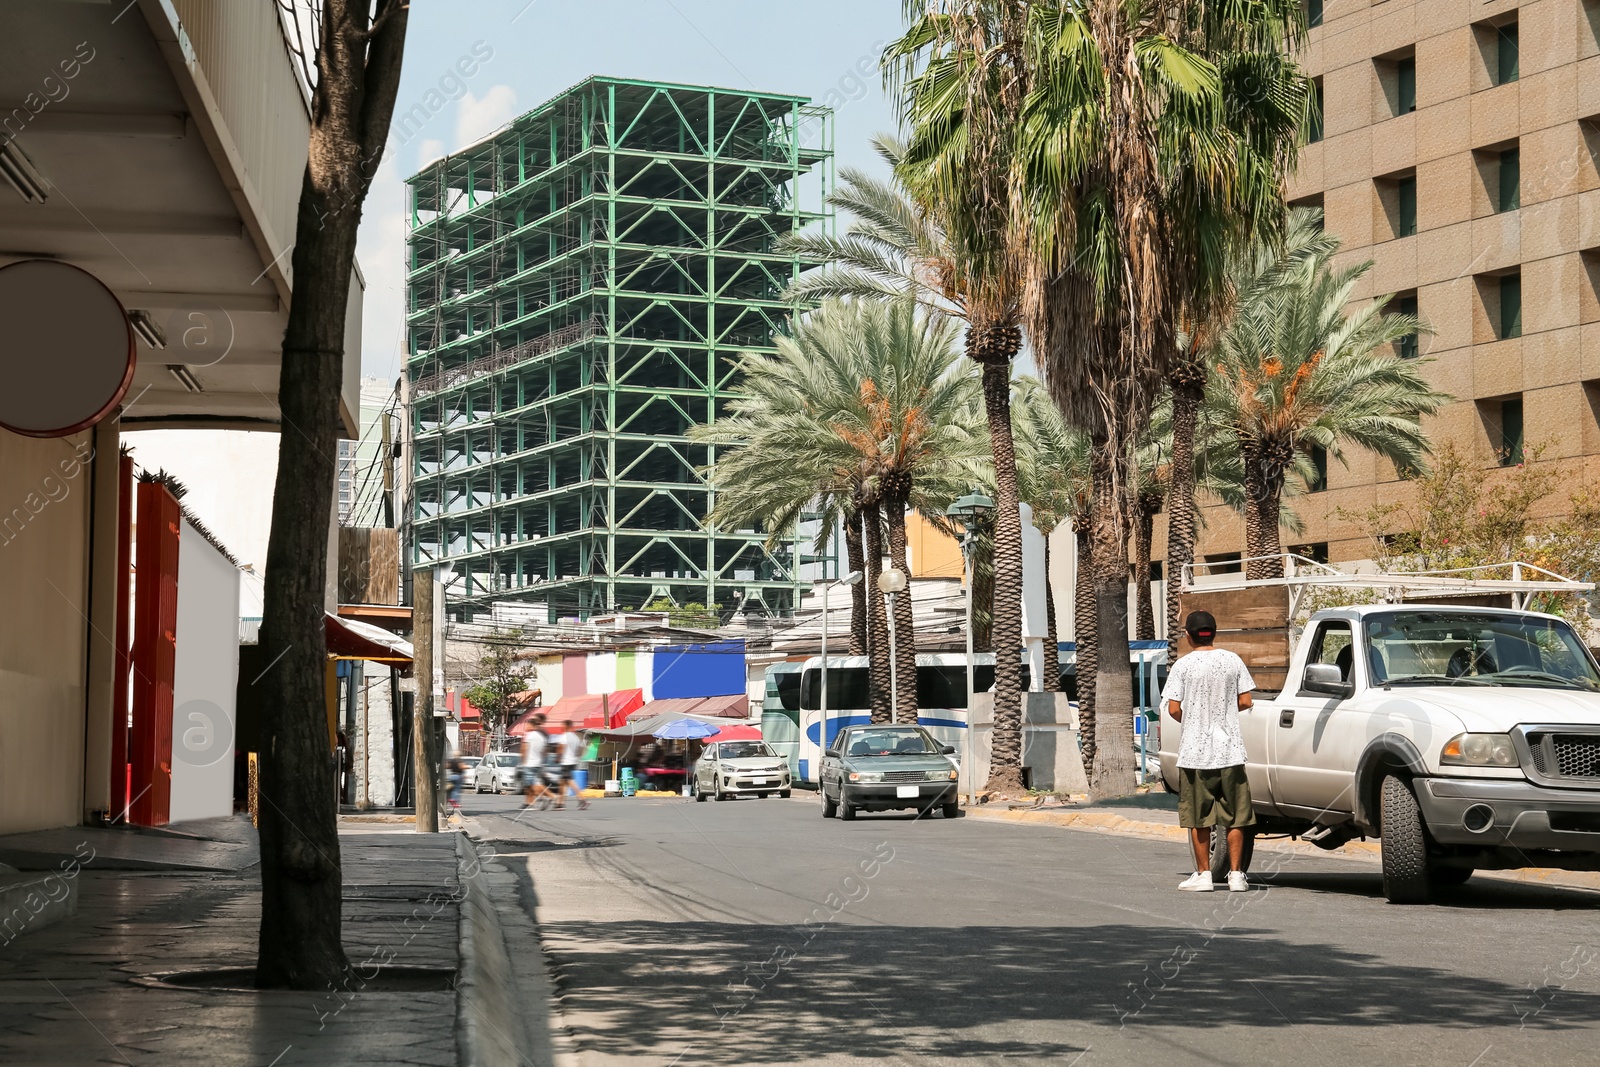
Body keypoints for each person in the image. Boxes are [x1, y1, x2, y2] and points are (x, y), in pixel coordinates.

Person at [1162, 609, 1256, 893]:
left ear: (1188, 636)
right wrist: (1223, 713)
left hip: (1195, 752)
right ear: (1214, 632)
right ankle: (1237, 875)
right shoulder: (1233, 660)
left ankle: (1204, 875)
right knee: (1236, 815)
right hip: (1230, 750)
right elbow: (1246, 700)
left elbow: (1174, 708)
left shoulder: (1183, 666)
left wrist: (1193, 719)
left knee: (1198, 816)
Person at [553, 722, 589, 811]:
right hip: (573, 761)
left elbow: (561, 748)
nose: (561, 727)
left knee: (569, 781)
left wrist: (558, 757)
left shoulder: (564, 736)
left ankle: (582, 799)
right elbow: (580, 750)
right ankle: (560, 803)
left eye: (563, 725)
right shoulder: (575, 737)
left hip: (566, 762)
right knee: (563, 782)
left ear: (567, 726)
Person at [520, 715, 549, 808]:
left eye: (528, 724)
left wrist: (523, 761)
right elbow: (544, 751)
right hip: (538, 763)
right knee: (533, 783)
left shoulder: (529, 735)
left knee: (530, 784)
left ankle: (547, 796)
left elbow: (524, 749)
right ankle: (529, 803)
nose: (527, 726)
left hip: (530, 763)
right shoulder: (542, 736)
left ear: (531, 725)